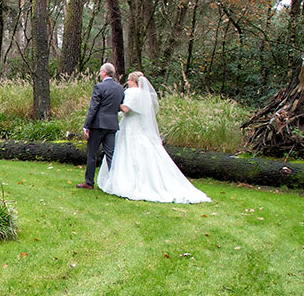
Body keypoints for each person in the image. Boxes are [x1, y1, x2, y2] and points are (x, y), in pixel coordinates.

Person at [97, 71, 211, 204]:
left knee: (127, 152)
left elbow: (126, 109)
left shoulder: (132, 92)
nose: (127, 82)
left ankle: (127, 181)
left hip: (130, 126)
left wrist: (114, 105)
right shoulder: (146, 95)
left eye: (129, 80)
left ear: (134, 81)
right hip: (141, 127)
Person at [77, 61, 123, 189]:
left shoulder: (99, 87)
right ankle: (115, 183)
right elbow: (119, 106)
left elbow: (93, 108)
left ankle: (89, 182)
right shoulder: (119, 88)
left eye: (100, 71)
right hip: (112, 124)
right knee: (111, 155)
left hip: (98, 124)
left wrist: (86, 125)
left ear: (104, 72)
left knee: (92, 154)